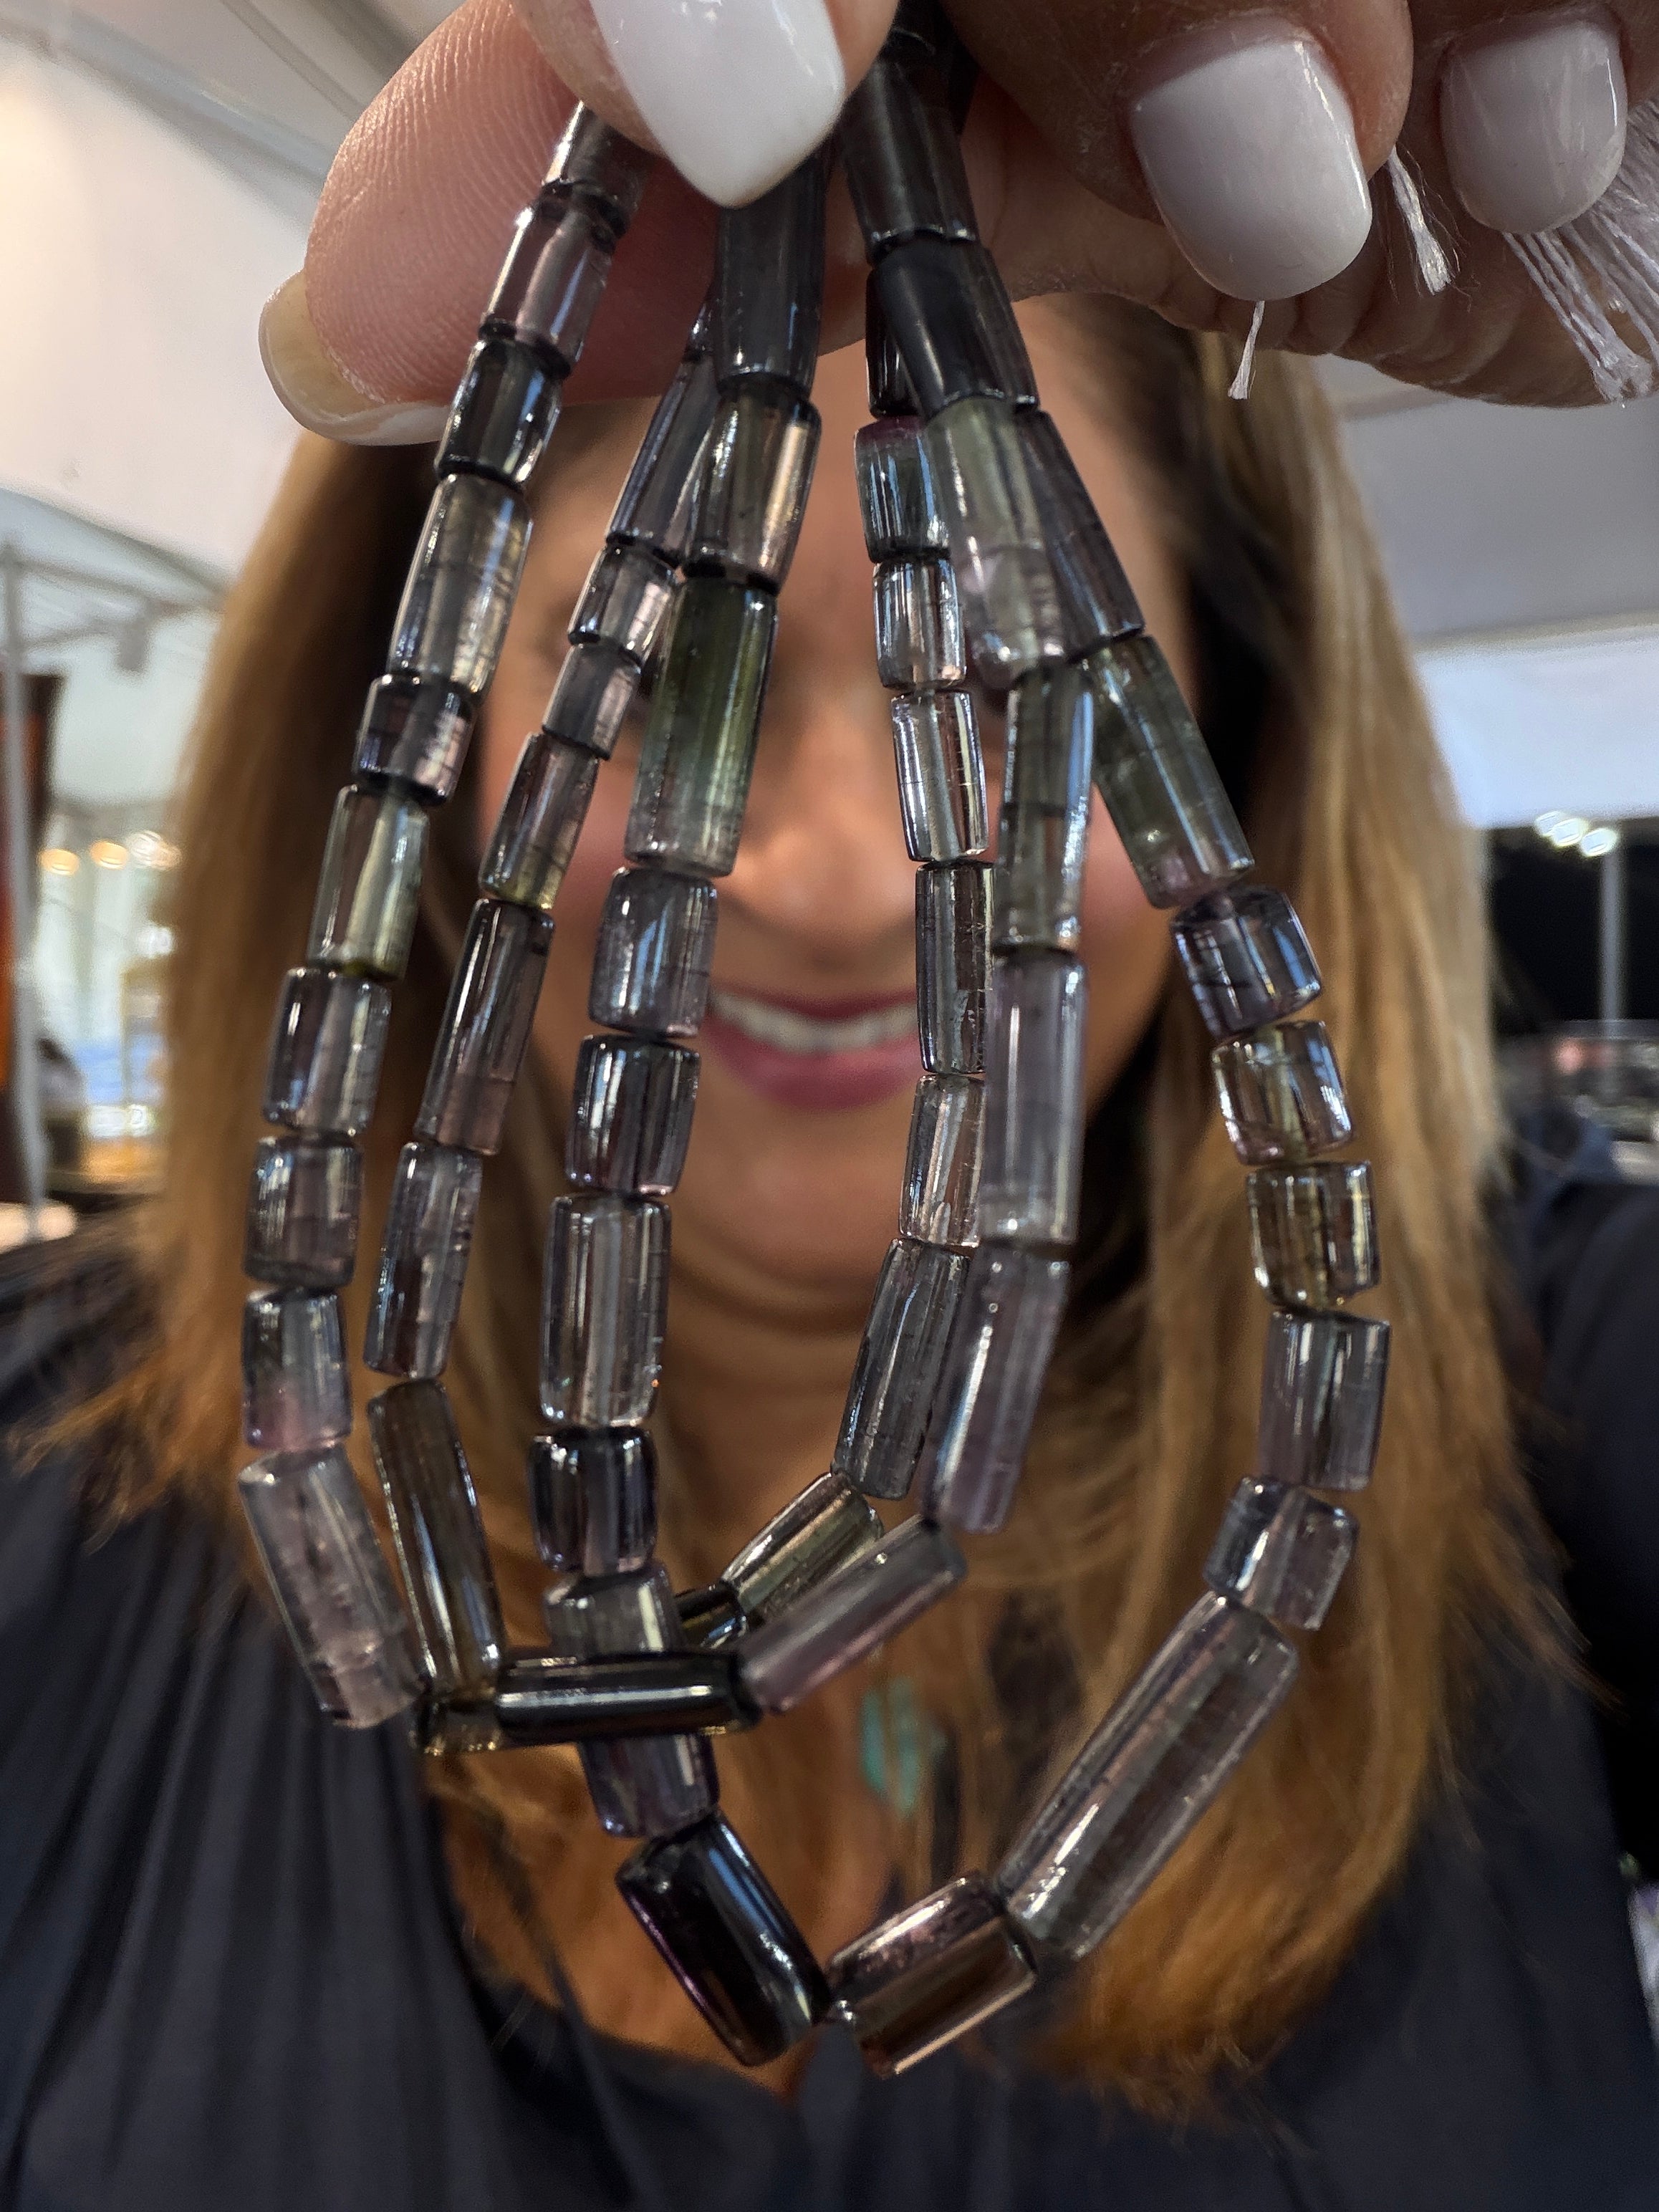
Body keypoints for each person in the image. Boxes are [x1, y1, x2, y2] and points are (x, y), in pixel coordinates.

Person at [2, 7, 1658, 2208]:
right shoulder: (45, 1471)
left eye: (986, 680)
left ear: (1235, 739)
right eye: (659, 669)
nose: (835, 877)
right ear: (426, 728)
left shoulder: (1560, 1373)